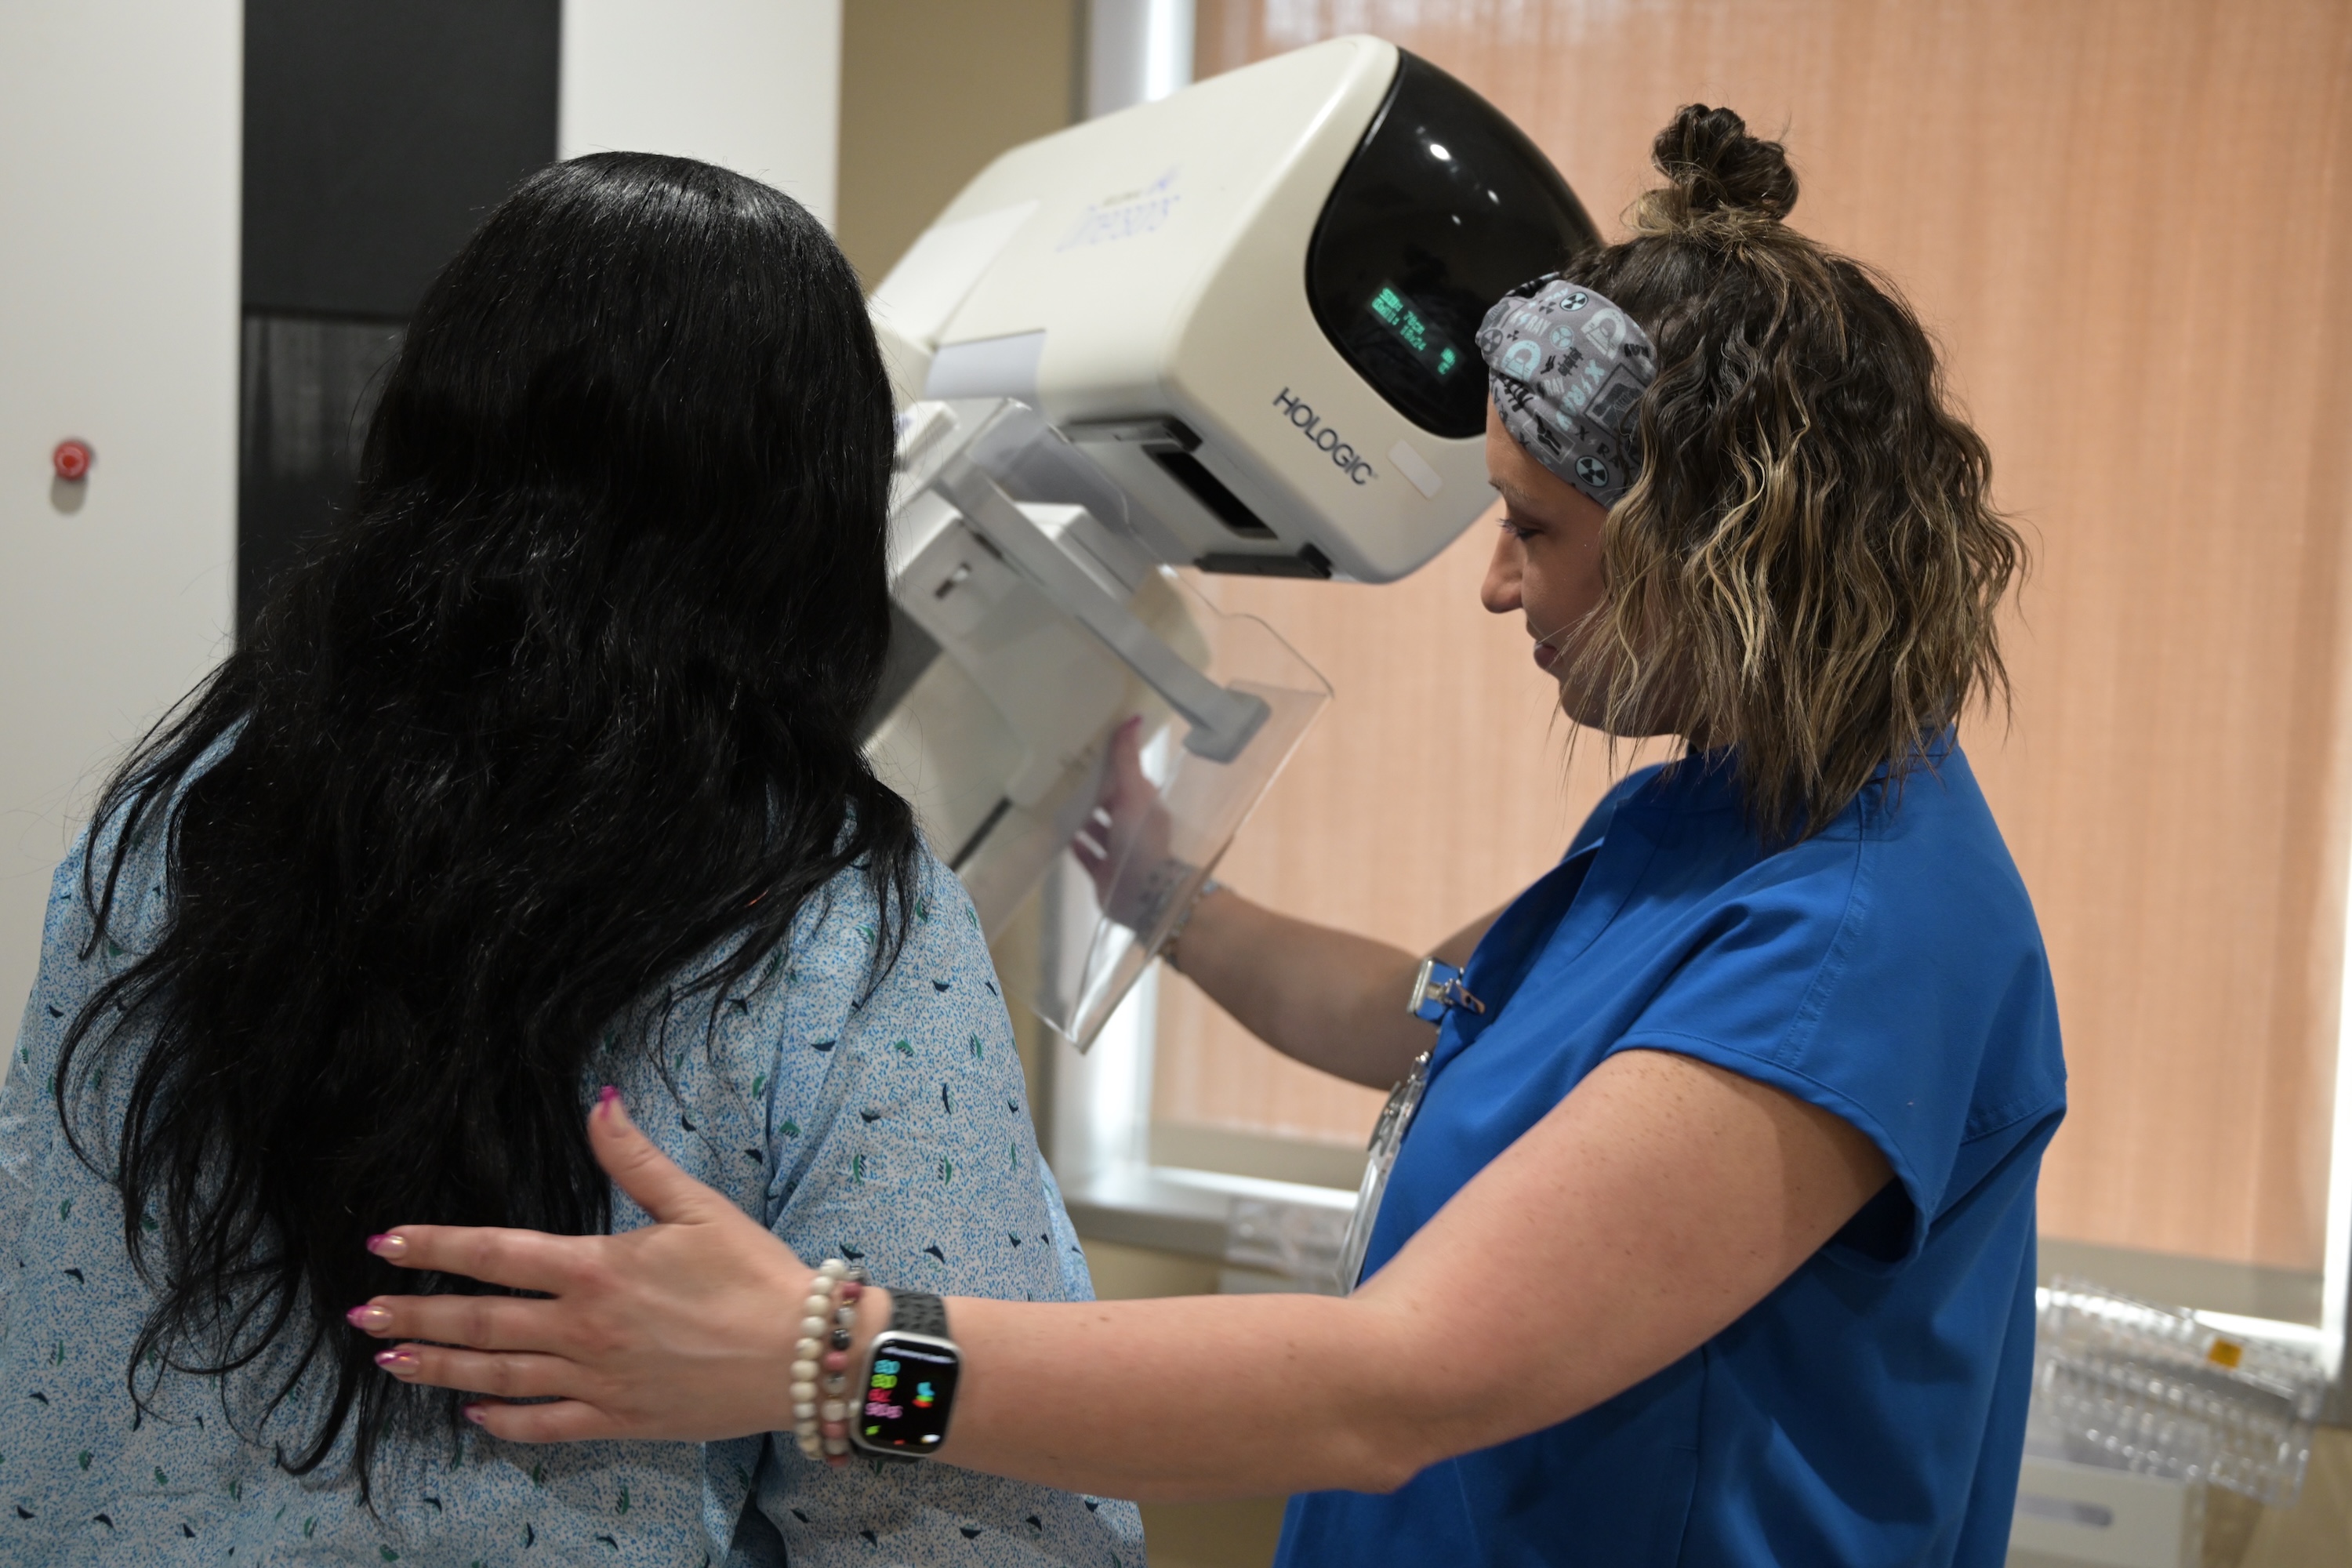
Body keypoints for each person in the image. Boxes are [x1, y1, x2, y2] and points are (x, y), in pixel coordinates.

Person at [354, 107, 2062, 1566]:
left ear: (1724, 545)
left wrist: (832, 1359)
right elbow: (1423, 1013)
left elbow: (1387, 1383)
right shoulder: (1709, 822)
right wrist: (1156, 882)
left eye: (1535, 530)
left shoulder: (1860, 940)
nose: (1492, 581)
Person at [0, 153, 1142, 1565]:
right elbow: (979, 1527)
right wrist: (835, 1361)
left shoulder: (174, 831)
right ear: (810, 518)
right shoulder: (830, 925)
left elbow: (42, 1373)